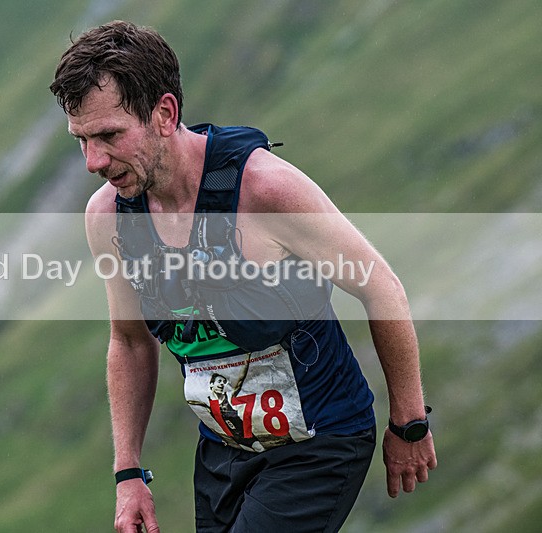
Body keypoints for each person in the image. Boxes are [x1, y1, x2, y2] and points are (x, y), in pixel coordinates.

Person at [50, 20, 437, 532]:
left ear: (164, 114)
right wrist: (129, 474)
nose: (93, 161)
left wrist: (408, 423)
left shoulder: (264, 191)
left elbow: (378, 286)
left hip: (318, 444)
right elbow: (130, 341)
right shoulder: (108, 218)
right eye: (81, 139)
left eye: (109, 136)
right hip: (223, 453)